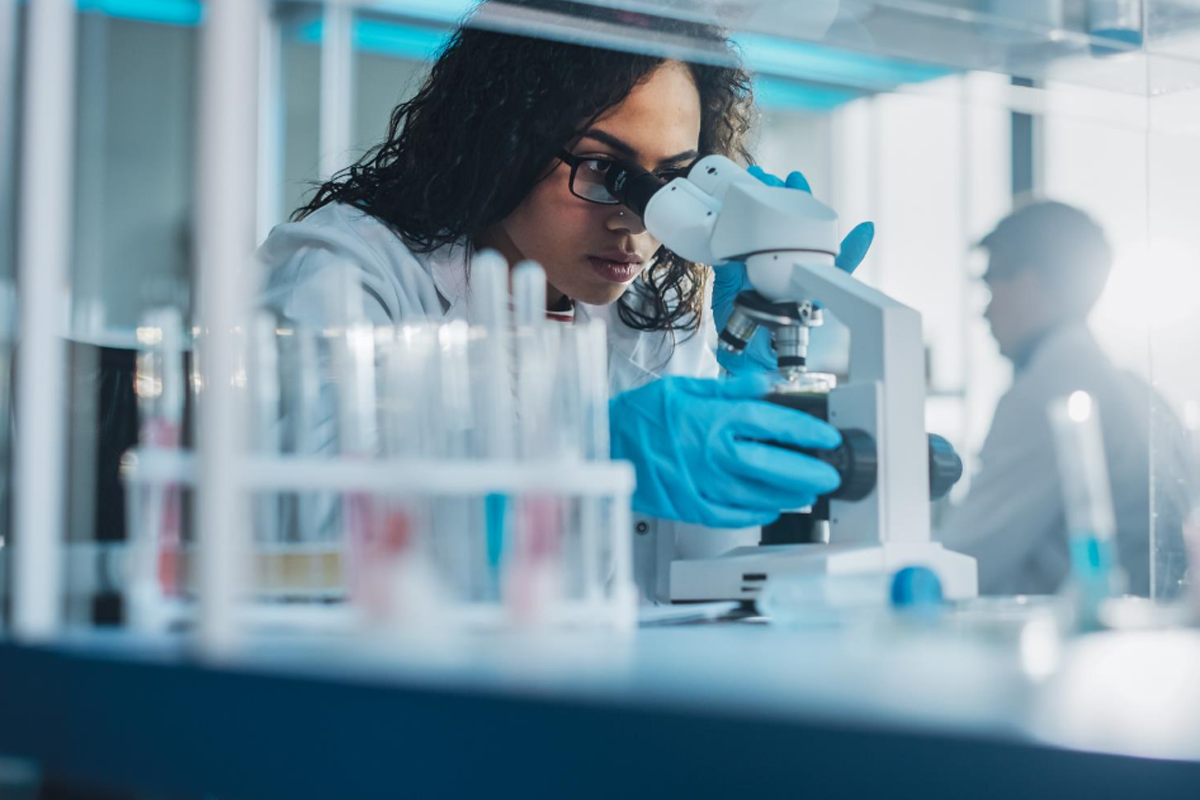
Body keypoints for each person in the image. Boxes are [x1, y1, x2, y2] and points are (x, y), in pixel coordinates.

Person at [256, 0, 873, 602]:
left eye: (671, 180)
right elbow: (317, 538)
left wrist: (755, 391)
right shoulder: (349, 271)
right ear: (502, 142)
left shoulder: (653, 320)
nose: (635, 220)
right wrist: (593, 454)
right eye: (604, 169)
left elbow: (700, 577)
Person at [937, 201, 1189, 596]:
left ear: (1029, 285)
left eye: (990, 284)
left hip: (1088, 629)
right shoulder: (1137, 390)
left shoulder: (1050, 391)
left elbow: (963, 561)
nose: (984, 312)